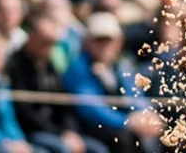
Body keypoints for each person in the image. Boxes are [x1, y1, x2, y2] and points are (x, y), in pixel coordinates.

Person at [63, 13, 161, 153]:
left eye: (109, 40)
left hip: (121, 126)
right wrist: (126, 122)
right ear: (87, 41)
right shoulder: (78, 68)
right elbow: (90, 108)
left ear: (119, 42)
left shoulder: (121, 65)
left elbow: (134, 94)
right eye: (99, 40)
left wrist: (145, 115)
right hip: (88, 128)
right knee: (122, 139)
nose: (105, 45)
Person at [9, 14, 98, 153]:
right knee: (62, 148)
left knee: (96, 149)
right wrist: (59, 133)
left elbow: (63, 102)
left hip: (56, 130)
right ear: (31, 38)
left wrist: (69, 130)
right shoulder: (16, 67)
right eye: (44, 42)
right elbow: (25, 112)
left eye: (52, 43)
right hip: (32, 130)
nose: (49, 48)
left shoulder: (49, 66)